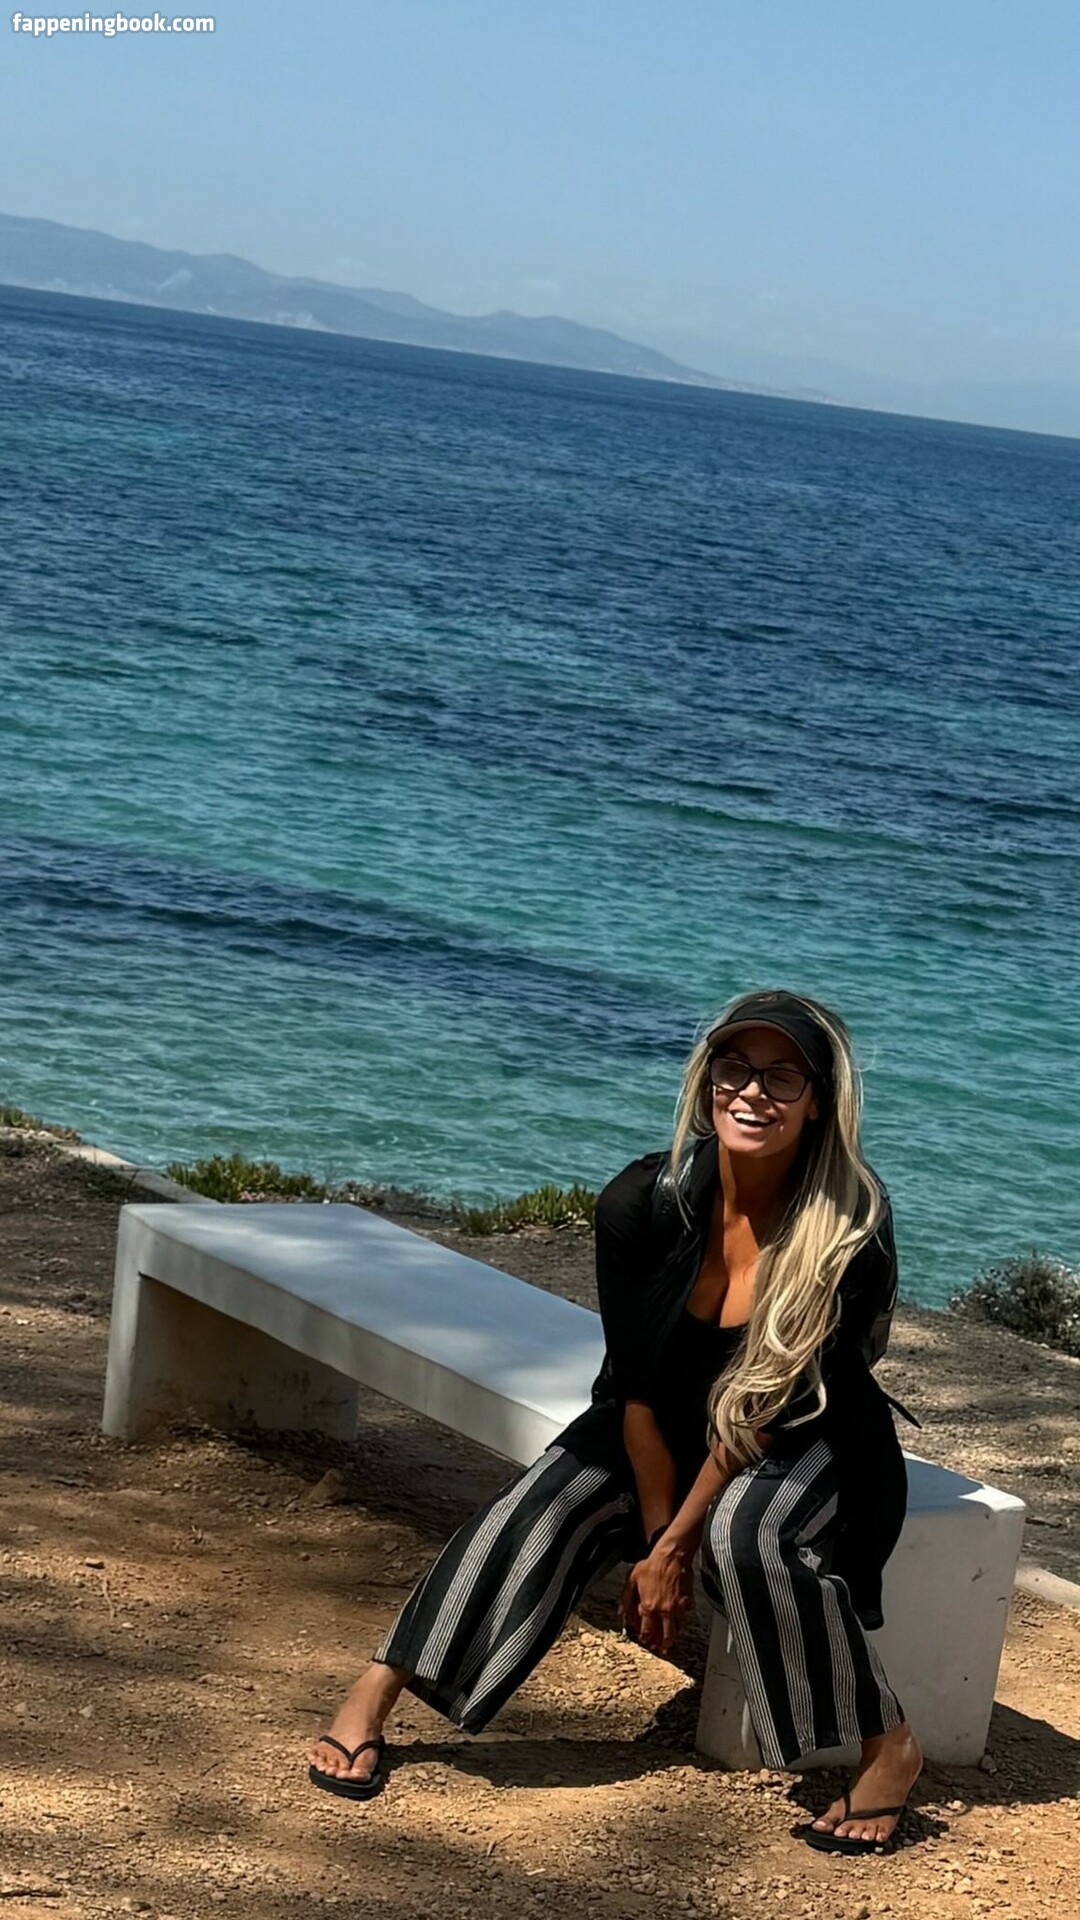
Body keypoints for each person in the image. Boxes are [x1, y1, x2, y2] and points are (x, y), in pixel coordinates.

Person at [308, 988, 923, 1855]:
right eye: (735, 1069)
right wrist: (656, 1536)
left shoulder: (848, 1223)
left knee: (747, 1538)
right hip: (661, 1416)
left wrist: (674, 1547)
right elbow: (633, 1388)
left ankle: (887, 1744)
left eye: (783, 1076)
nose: (754, 1092)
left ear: (819, 1100)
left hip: (807, 1425)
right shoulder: (643, 1199)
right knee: (544, 1500)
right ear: (707, 1082)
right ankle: (376, 1690)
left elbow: (765, 1407)